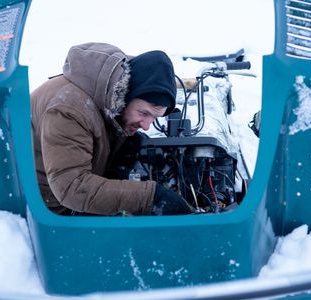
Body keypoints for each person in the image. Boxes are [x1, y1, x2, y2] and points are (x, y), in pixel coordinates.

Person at [30, 42, 193, 216]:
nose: (146, 126)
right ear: (125, 95)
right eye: (143, 113)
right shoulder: (69, 111)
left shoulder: (113, 88)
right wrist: (151, 198)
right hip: (47, 203)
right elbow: (72, 189)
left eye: (154, 118)